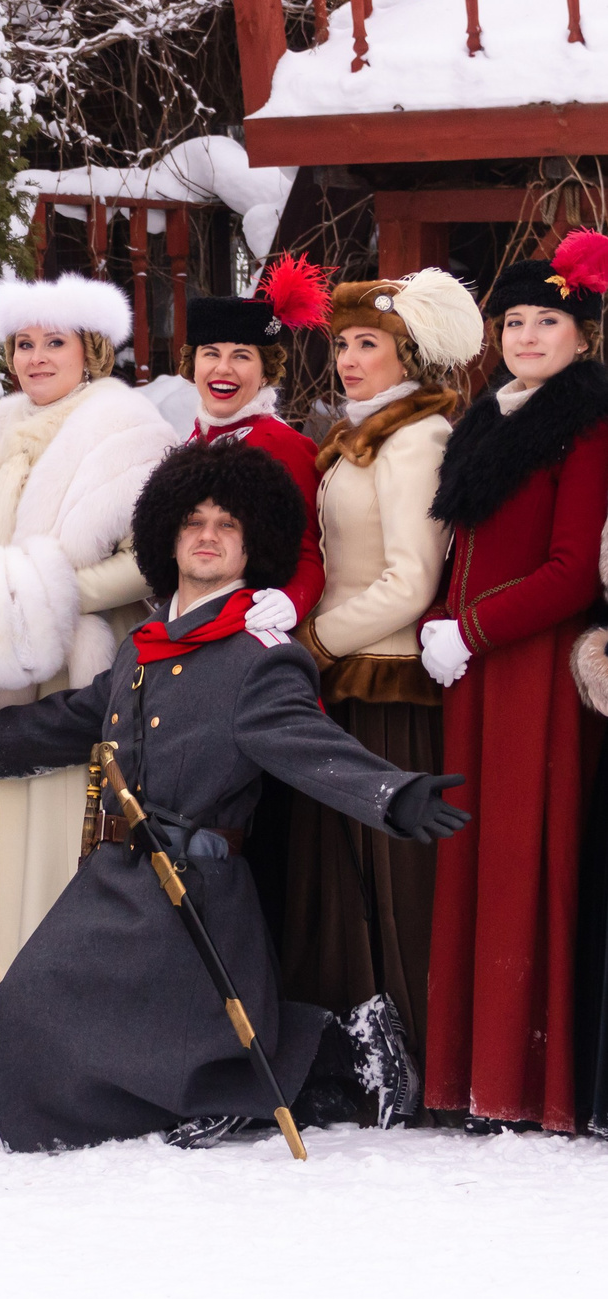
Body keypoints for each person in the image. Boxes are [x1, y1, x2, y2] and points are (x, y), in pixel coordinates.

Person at [0, 439, 467, 1152]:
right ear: (167, 536)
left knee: (130, 1033)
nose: (206, 537)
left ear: (251, 545)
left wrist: (394, 793)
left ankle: (334, 1048)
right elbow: (69, 721)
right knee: (26, 1006)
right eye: (192, 523)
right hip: (115, 883)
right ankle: (279, 1062)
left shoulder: (258, 656)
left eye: (226, 525)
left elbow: (310, 745)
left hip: (195, 894)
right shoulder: (141, 646)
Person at [0, 272, 180, 1099]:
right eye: (23, 343)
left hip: (83, 674)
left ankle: (76, 1050)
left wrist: (46, 591)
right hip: (3, 679)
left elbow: (153, 562)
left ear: (90, 348)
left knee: (70, 852)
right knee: (0, 858)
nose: (35, 357)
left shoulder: (127, 426)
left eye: (53, 342)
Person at [424, 229, 608, 1134]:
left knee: (525, 865)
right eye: (513, 321)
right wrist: (436, 619)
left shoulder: (586, 421)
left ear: (582, 334)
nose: (527, 336)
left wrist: (474, 628)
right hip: (470, 667)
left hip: (531, 666)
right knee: (470, 860)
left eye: (547, 321)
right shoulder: (484, 415)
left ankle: (526, 1080)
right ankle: (464, 1073)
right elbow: (459, 545)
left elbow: (574, 569)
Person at [284, 269, 484, 1089]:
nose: (348, 358)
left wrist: (312, 642)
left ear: (408, 354)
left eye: (368, 343)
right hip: (342, 675)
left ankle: (412, 1051)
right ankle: (350, 1049)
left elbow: (411, 579)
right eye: (341, 343)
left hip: (385, 678)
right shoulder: (357, 432)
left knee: (390, 876)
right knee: (339, 874)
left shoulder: (416, 438)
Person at [184, 253, 331, 633]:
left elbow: (309, 554)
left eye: (241, 356)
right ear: (193, 364)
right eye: (211, 353)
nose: (223, 368)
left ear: (266, 370)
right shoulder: (192, 440)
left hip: (250, 629)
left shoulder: (284, 445)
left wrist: (291, 601)